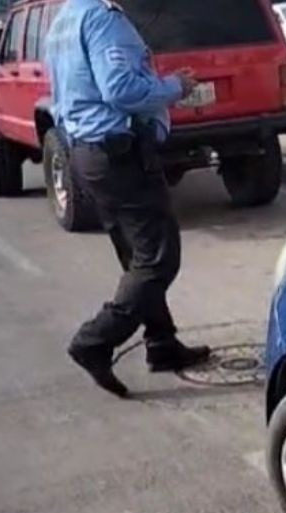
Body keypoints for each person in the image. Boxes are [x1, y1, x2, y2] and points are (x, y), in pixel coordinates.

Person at [47, 0, 209, 398]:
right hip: (118, 154)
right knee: (157, 258)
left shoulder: (63, 21)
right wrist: (175, 87)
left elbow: (61, 98)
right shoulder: (104, 19)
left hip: (89, 150)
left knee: (136, 254)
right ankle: (95, 340)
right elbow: (120, 89)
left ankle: (161, 342)